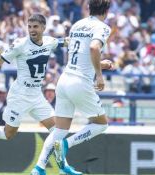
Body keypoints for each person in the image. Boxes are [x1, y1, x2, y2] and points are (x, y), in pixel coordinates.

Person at [0, 14, 113, 174]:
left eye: (35, 27)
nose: (32, 30)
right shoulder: (20, 44)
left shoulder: (50, 42)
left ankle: (61, 167)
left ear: (43, 28)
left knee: (56, 131)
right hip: (19, 95)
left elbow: (75, 49)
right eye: (29, 27)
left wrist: (97, 63)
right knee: (8, 133)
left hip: (37, 96)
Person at [31, 1, 113, 175]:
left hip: (65, 79)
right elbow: (93, 47)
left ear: (89, 8)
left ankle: (38, 168)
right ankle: (67, 144)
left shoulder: (78, 24)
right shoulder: (103, 27)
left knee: (59, 130)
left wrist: (100, 64)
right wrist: (99, 75)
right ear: (106, 11)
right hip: (80, 82)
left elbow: (80, 52)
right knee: (102, 124)